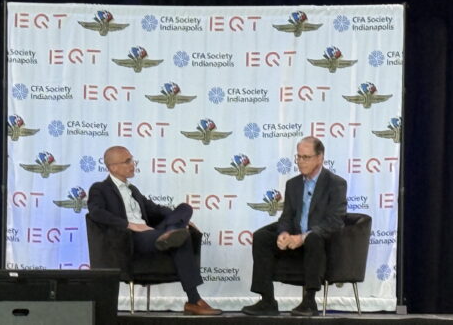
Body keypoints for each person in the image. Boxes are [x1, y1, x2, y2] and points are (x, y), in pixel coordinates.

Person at [87, 145, 221, 316]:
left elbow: (156, 210)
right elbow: (96, 212)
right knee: (183, 239)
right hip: (132, 238)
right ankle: (194, 301)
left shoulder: (133, 190)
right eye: (127, 161)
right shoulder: (99, 188)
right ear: (113, 167)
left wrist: (182, 220)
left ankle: (173, 232)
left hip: (154, 234)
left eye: (132, 159)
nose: (132, 164)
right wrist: (128, 225)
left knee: (184, 208)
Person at [242, 136, 347, 317]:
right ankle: (267, 300)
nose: (300, 162)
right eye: (298, 157)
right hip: (295, 241)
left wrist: (303, 237)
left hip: (320, 243)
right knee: (262, 237)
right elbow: (287, 217)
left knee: (313, 237)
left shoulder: (335, 183)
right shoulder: (293, 184)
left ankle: (309, 301)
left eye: (305, 157)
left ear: (320, 158)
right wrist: (283, 233)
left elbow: (335, 221)